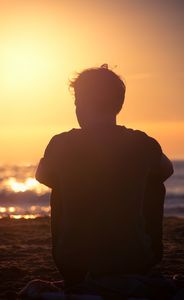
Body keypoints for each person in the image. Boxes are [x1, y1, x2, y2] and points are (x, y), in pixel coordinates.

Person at [35, 65, 174, 290]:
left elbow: (42, 175)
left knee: (59, 185)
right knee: (153, 181)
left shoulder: (61, 143)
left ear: (80, 104)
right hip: (136, 261)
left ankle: (79, 245)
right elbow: (167, 170)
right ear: (117, 105)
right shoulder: (142, 143)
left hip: (74, 264)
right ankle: (135, 241)